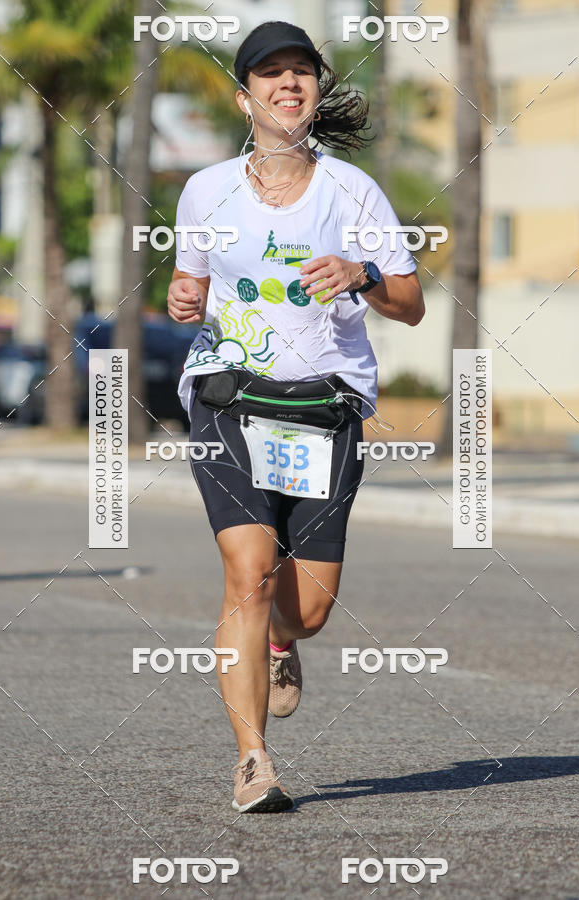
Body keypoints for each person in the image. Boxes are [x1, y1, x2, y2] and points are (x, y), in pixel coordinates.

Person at [167, 20, 424, 813]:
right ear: (245, 97)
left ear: (316, 92)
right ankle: (253, 763)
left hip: (324, 405)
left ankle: (283, 643)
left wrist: (363, 271)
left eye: (301, 72)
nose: (288, 84)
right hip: (228, 395)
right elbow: (191, 290)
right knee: (247, 572)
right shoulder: (205, 189)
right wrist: (182, 302)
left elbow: (409, 306)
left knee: (305, 607)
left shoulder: (354, 192)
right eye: (270, 73)